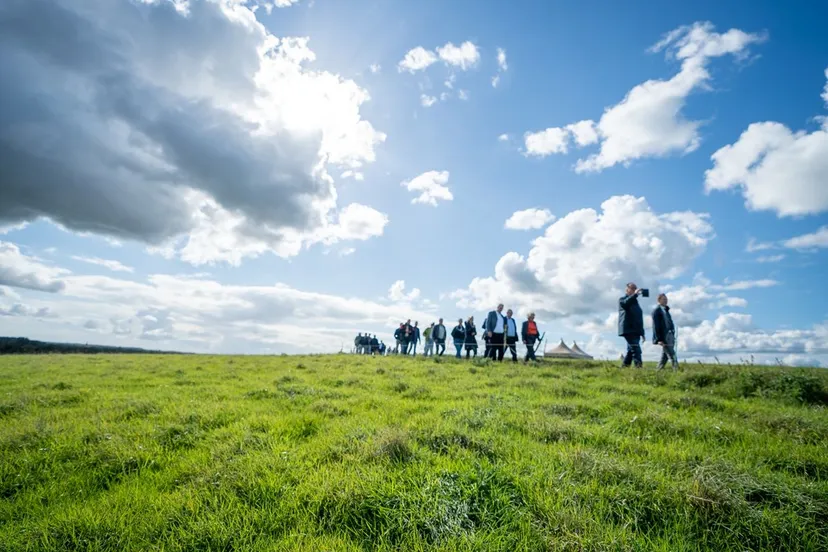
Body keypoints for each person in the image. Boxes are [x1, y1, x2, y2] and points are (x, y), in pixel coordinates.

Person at [618, 282, 646, 368]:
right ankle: (639, 369)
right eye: (632, 288)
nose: (634, 290)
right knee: (636, 349)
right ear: (627, 289)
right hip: (628, 329)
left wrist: (642, 333)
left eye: (635, 288)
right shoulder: (622, 299)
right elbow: (626, 304)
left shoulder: (635, 303)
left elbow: (639, 319)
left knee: (631, 350)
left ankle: (624, 368)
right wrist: (635, 295)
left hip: (636, 330)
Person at [652, 293, 679, 371]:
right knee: (672, 354)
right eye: (664, 299)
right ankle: (676, 371)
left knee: (665, 356)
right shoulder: (656, 311)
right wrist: (659, 339)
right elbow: (656, 326)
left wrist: (673, 333)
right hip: (664, 336)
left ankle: (657, 371)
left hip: (670, 335)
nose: (666, 301)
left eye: (666, 299)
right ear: (659, 300)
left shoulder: (666, 310)